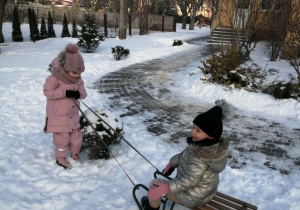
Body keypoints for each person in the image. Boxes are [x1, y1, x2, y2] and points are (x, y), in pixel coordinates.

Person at [141, 99, 232, 210]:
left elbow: (189, 181)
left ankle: (152, 207)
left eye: (198, 130)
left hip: (192, 196)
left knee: (155, 184)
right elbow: (184, 156)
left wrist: (166, 188)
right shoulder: (205, 146)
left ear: (210, 135)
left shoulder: (200, 156)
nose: (193, 132)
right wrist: (171, 163)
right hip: (205, 192)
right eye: (193, 127)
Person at [43, 44, 87, 169]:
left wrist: (78, 94)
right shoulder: (54, 78)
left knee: (77, 138)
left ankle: (75, 153)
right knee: (62, 140)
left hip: (73, 116)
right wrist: (65, 92)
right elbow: (48, 92)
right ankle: (60, 157)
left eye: (79, 72)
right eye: (74, 72)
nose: (77, 75)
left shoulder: (78, 80)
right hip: (58, 117)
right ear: (65, 68)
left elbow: (84, 94)